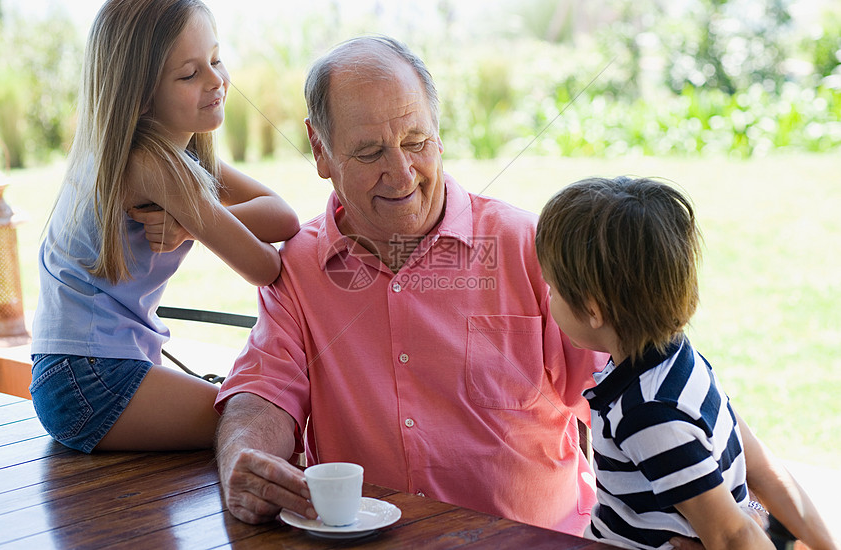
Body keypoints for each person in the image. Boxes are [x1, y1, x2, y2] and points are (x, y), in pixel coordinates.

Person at [213, 35, 609, 535]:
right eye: (370, 151)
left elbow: (643, 384)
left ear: (438, 133)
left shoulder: (530, 246)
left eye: (415, 142)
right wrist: (247, 458)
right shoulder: (296, 268)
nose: (400, 173)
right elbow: (263, 390)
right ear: (320, 150)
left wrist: (731, 503)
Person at [29, 0, 300, 454]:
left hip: (75, 371)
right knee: (257, 422)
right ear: (140, 96)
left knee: (257, 414)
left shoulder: (168, 149)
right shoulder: (150, 163)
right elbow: (265, 267)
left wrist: (188, 222)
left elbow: (283, 216)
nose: (216, 80)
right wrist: (202, 219)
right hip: (92, 377)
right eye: (189, 74)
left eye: (216, 60)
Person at [535, 176, 837, 549]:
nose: (548, 298)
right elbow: (763, 470)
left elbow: (732, 535)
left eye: (552, 289)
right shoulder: (679, 358)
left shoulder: (647, 412)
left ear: (593, 309)